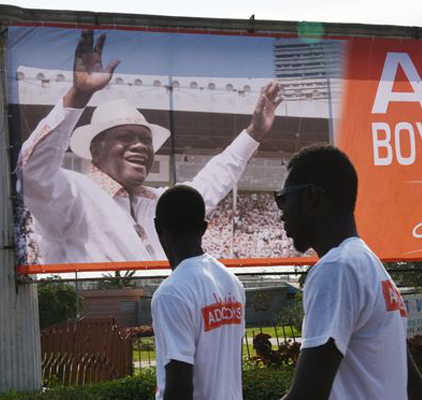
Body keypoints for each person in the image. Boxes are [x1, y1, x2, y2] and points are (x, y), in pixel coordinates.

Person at [17, 29, 281, 264]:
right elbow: (32, 171)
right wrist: (79, 94)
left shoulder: (157, 202)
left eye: (146, 140)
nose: (140, 146)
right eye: (126, 137)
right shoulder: (73, 194)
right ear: (96, 150)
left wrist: (254, 132)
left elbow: (212, 182)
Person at [275, 145, 422, 400]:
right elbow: (416, 388)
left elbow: (308, 394)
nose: (281, 213)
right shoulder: (370, 267)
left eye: (282, 199)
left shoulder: (336, 269)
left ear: (311, 196)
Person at [151, 185, 245, 400]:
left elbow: (180, 387)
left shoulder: (171, 293)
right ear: (203, 228)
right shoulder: (232, 283)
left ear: (157, 227)